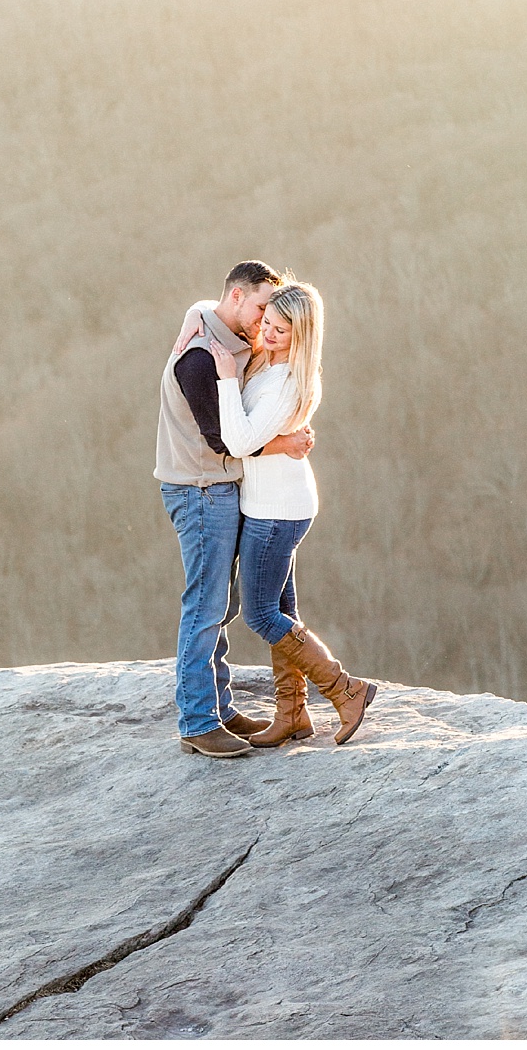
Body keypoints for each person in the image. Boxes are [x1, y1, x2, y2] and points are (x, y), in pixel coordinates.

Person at [201, 279, 378, 747]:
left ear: (303, 334)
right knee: (282, 609)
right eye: (269, 325)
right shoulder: (268, 363)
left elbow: (239, 442)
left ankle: (345, 689)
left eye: (283, 330)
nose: (271, 334)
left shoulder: (287, 380)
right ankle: (292, 714)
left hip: (277, 510)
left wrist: (222, 379)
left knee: (260, 615)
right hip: (274, 503)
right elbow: (206, 305)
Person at [155, 260, 312, 759]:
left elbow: (203, 305)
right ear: (238, 297)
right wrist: (285, 443)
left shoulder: (218, 323)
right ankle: (197, 722)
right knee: (205, 605)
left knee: (219, 606)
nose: (267, 320)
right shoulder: (202, 359)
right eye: (263, 307)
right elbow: (226, 442)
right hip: (200, 488)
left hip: (219, 488)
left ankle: (218, 709)